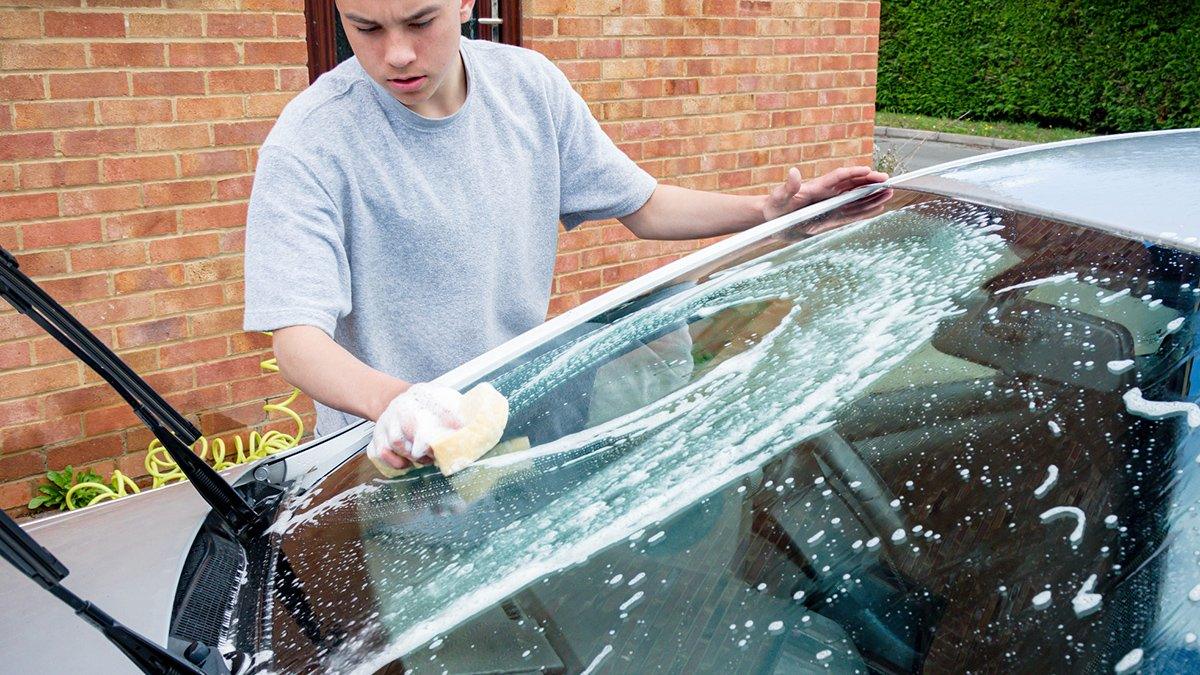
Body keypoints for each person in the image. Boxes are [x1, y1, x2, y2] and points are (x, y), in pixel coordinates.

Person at [242, 0, 888, 475]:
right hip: (384, 471)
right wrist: (401, 402)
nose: (398, 54)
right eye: (366, 28)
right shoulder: (312, 143)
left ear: (466, 2)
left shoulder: (529, 89)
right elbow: (298, 342)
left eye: (420, 21)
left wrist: (770, 211)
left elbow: (645, 206)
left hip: (513, 436)